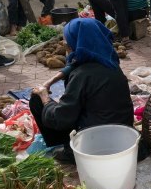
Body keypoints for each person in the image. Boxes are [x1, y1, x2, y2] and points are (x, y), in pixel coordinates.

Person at [29, 18, 134, 163]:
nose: (66, 45)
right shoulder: (109, 60)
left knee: (37, 100)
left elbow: (60, 118)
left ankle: (70, 152)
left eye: (67, 42)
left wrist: (44, 96)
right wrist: (52, 80)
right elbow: (75, 63)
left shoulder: (82, 75)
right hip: (122, 131)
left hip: (96, 141)